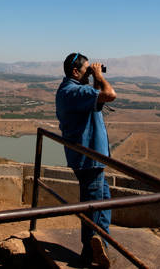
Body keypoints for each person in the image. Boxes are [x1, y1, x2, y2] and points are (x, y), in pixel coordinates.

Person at [55, 52, 117, 268]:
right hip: (89, 158)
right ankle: (89, 251)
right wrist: (99, 77)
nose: (90, 72)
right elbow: (110, 94)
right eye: (87, 69)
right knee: (93, 204)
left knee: (103, 200)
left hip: (88, 157)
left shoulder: (68, 90)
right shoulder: (75, 91)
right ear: (75, 71)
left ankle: (100, 245)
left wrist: (92, 77)